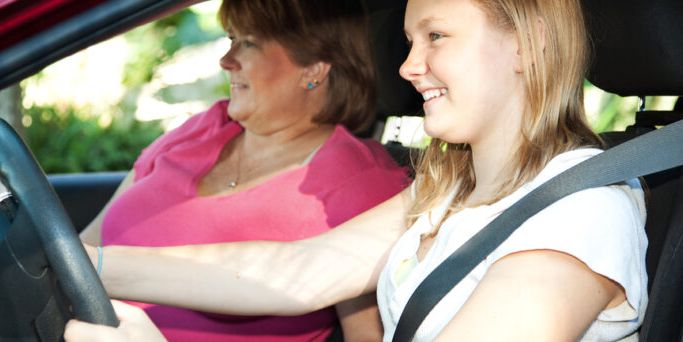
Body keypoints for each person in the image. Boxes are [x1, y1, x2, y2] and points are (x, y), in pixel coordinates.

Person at [66, 0, 648, 340]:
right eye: (408, 41)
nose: (409, 65)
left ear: (528, 43)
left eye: (436, 37)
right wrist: (80, 264)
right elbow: (297, 270)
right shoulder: (447, 189)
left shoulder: (581, 211)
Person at [73, 0, 411, 341]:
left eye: (249, 43)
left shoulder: (361, 182)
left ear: (314, 67)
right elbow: (81, 249)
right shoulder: (200, 129)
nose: (225, 60)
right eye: (231, 38)